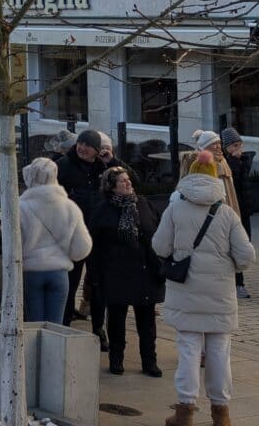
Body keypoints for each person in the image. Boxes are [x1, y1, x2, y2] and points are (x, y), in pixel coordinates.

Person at [151, 149, 254, 426]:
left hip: (186, 292)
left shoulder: (175, 209)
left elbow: (160, 246)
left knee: (188, 350)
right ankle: (221, 413)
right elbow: (246, 256)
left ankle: (185, 410)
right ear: (215, 179)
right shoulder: (227, 214)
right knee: (220, 352)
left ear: (190, 175)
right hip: (220, 295)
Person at [88, 165, 164, 377]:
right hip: (116, 272)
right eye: (122, 181)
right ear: (111, 187)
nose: (128, 183)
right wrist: (95, 276)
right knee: (116, 319)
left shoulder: (144, 204)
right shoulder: (102, 210)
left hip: (144, 270)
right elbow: (95, 245)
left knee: (147, 321)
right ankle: (116, 358)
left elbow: (157, 231)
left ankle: (150, 361)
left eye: (128, 179)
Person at [17, 156, 92, 326]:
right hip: (59, 273)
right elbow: (82, 248)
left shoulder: (20, 207)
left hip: (31, 273)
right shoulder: (69, 207)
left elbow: (15, 245)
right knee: (55, 329)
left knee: (33, 327)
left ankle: (33, 354)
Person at [55, 128, 109, 332]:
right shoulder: (64, 166)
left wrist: (111, 162)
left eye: (88, 145)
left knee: (96, 283)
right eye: (80, 143)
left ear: (97, 150)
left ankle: (98, 328)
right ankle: (64, 324)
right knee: (70, 281)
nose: (82, 148)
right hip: (72, 233)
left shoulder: (101, 168)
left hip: (96, 233)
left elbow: (131, 180)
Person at [220, 129, 256, 298]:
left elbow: (244, 182)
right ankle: (237, 282)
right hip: (231, 210)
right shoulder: (225, 163)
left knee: (243, 244)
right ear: (226, 147)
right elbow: (231, 181)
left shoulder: (242, 160)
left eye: (240, 145)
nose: (238, 149)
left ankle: (239, 281)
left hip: (244, 209)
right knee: (232, 245)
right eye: (235, 145)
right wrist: (235, 162)